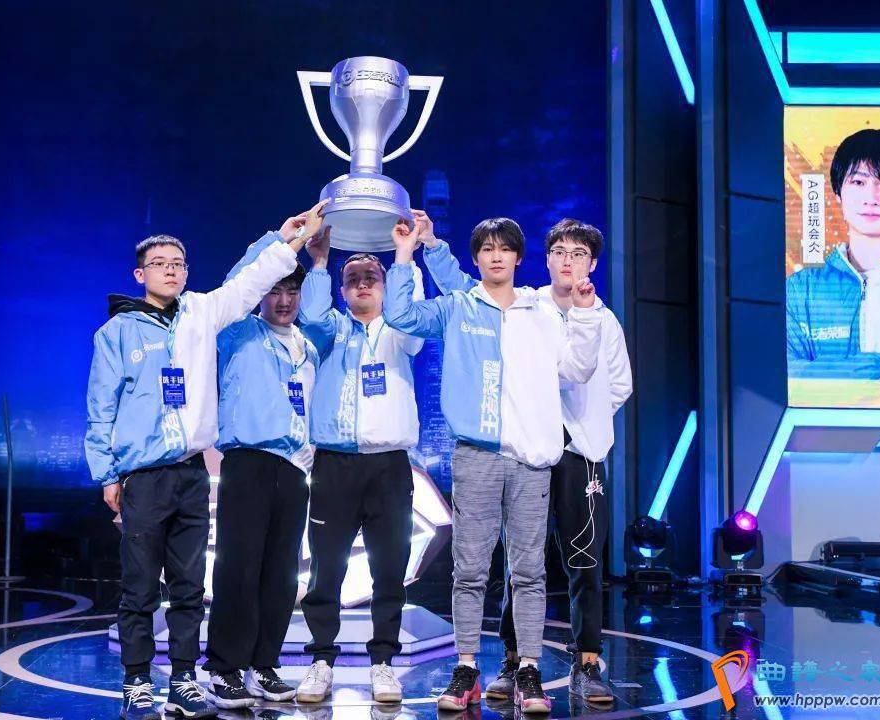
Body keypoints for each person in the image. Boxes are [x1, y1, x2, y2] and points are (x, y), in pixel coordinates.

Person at [84, 200, 328, 720]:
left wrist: (282, 239)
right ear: (140, 274)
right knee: (140, 586)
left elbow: (248, 284)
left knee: (190, 588)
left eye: (178, 263)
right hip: (143, 475)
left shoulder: (201, 313)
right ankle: (136, 681)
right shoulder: (117, 333)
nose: (171, 271)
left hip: (193, 472)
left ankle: (183, 680)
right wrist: (106, 473)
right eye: (160, 264)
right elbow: (101, 407)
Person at [383, 216, 601, 714]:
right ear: (476, 257)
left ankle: (529, 670)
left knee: (529, 572)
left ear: (519, 258)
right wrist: (406, 253)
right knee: (470, 571)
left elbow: (577, 369)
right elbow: (401, 316)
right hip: (476, 456)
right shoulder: (460, 305)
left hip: (530, 461)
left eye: (505, 248)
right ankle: (466, 668)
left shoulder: (540, 311)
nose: (496, 256)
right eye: (486, 248)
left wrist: (586, 315)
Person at [293, 227, 425, 705]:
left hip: (389, 466)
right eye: (353, 279)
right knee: (326, 568)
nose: (363, 284)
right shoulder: (329, 331)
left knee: (389, 569)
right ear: (343, 290)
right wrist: (320, 262)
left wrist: (405, 255)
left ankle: (383, 661)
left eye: (372, 276)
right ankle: (321, 660)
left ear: (387, 285)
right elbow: (310, 314)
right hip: (335, 465)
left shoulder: (403, 331)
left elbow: (411, 310)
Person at [203, 233, 319, 708]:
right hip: (248, 462)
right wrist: (280, 240)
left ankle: (263, 665)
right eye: (275, 290)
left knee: (282, 574)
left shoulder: (308, 347)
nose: (284, 300)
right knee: (238, 567)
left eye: (292, 291)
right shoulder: (238, 332)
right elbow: (240, 280)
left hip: (293, 469)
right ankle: (225, 668)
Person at [787, 128, 880, 382]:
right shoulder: (800, 290)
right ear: (838, 193)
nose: (872, 198)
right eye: (858, 182)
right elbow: (784, 374)